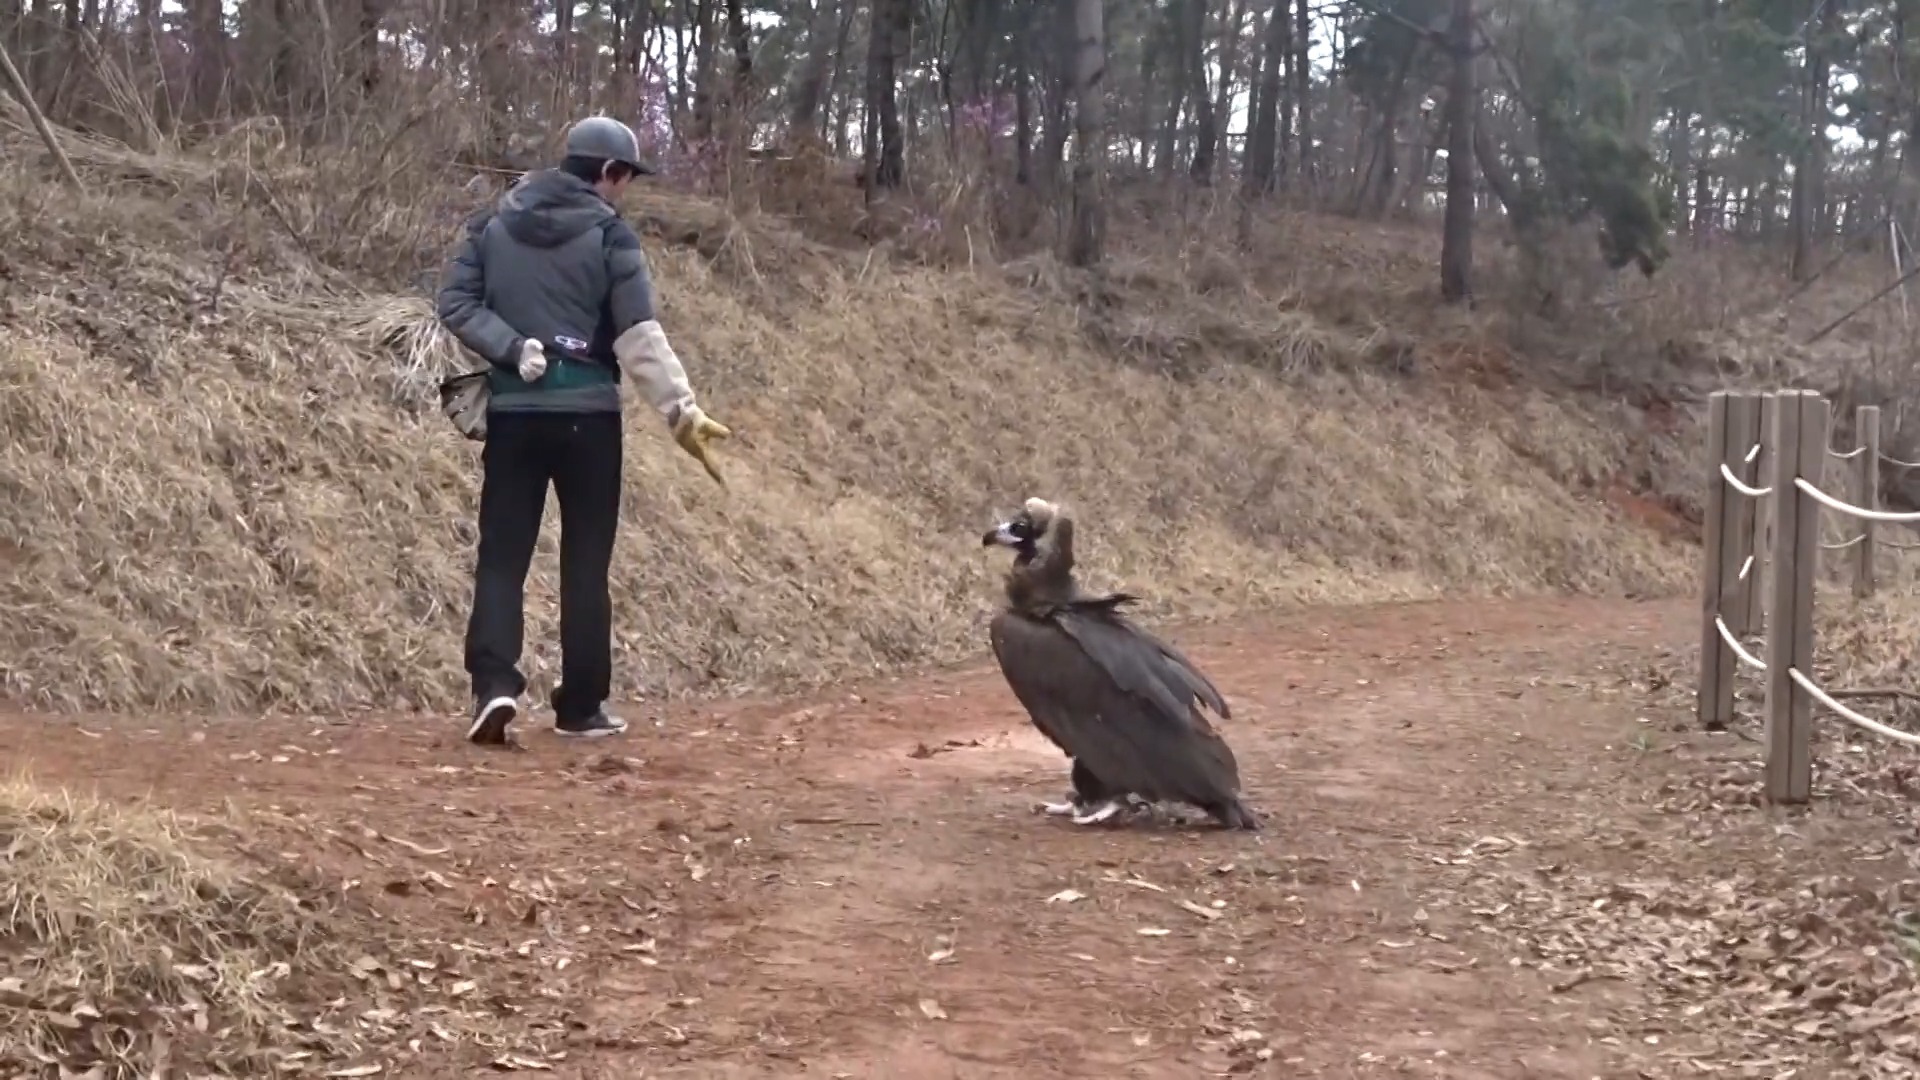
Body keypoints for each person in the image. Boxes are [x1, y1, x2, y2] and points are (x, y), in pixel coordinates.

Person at [435, 115, 730, 746]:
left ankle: (494, 687)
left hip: (514, 414)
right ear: (609, 172)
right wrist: (681, 410)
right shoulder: (611, 236)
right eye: (625, 179)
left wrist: (512, 347)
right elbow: (638, 335)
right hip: (590, 419)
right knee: (586, 562)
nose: (624, 192)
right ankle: (581, 707)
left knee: (502, 555)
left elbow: (455, 302)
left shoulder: (491, 224)